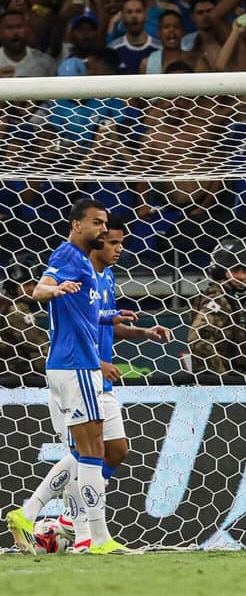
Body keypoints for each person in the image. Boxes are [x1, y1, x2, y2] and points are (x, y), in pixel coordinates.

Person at [8, 213, 168, 553]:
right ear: (87, 231)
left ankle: (60, 522)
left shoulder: (103, 278)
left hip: (94, 374)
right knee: (86, 453)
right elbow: (45, 297)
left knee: (114, 450)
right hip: (77, 368)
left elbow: (95, 321)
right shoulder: (71, 259)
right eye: (111, 240)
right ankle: (83, 534)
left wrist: (138, 330)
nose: (117, 248)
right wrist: (98, 360)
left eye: (120, 241)